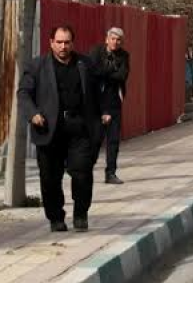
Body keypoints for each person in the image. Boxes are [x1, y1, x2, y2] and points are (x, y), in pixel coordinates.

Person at [17, 26, 100, 233]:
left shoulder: (85, 64)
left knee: (82, 172)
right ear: (51, 42)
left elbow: (99, 93)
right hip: (48, 129)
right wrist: (33, 113)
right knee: (50, 178)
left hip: (78, 127)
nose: (63, 46)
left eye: (67, 42)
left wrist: (102, 117)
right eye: (59, 42)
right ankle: (56, 218)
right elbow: (24, 93)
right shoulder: (37, 66)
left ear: (73, 43)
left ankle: (81, 213)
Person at [90, 28, 131, 185]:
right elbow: (92, 72)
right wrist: (111, 70)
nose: (115, 42)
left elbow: (122, 76)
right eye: (113, 39)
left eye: (119, 40)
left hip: (114, 101)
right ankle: (86, 168)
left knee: (113, 140)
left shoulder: (124, 56)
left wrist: (105, 72)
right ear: (107, 39)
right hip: (96, 101)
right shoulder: (96, 52)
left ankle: (111, 173)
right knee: (95, 138)